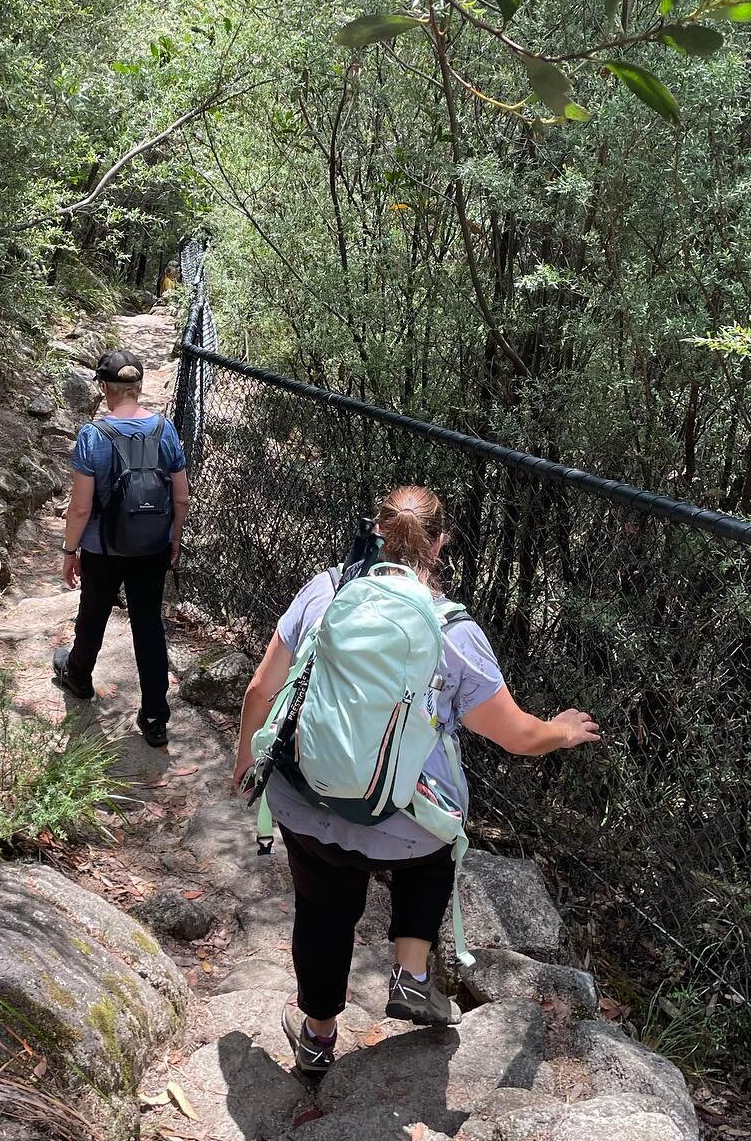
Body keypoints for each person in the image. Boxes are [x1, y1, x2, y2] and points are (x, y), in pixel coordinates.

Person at [233, 484, 598, 1077]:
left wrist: (246, 757)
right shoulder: (452, 631)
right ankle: (415, 973)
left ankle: (318, 1040)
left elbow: (259, 690)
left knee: (322, 910)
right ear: (441, 543)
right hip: (403, 822)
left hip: (304, 796)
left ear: (376, 533)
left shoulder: (325, 592)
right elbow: (519, 737)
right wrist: (560, 730)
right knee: (438, 844)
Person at [52, 349, 189, 747]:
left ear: (105, 388)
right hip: (151, 547)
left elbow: (80, 506)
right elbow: (181, 497)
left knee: (93, 613)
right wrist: (173, 539)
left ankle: (78, 676)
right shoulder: (165, 431)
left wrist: (69, 550)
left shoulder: (93, 436)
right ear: (138, 386)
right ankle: (154, 718)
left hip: (103, 549)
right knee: (148, 627)